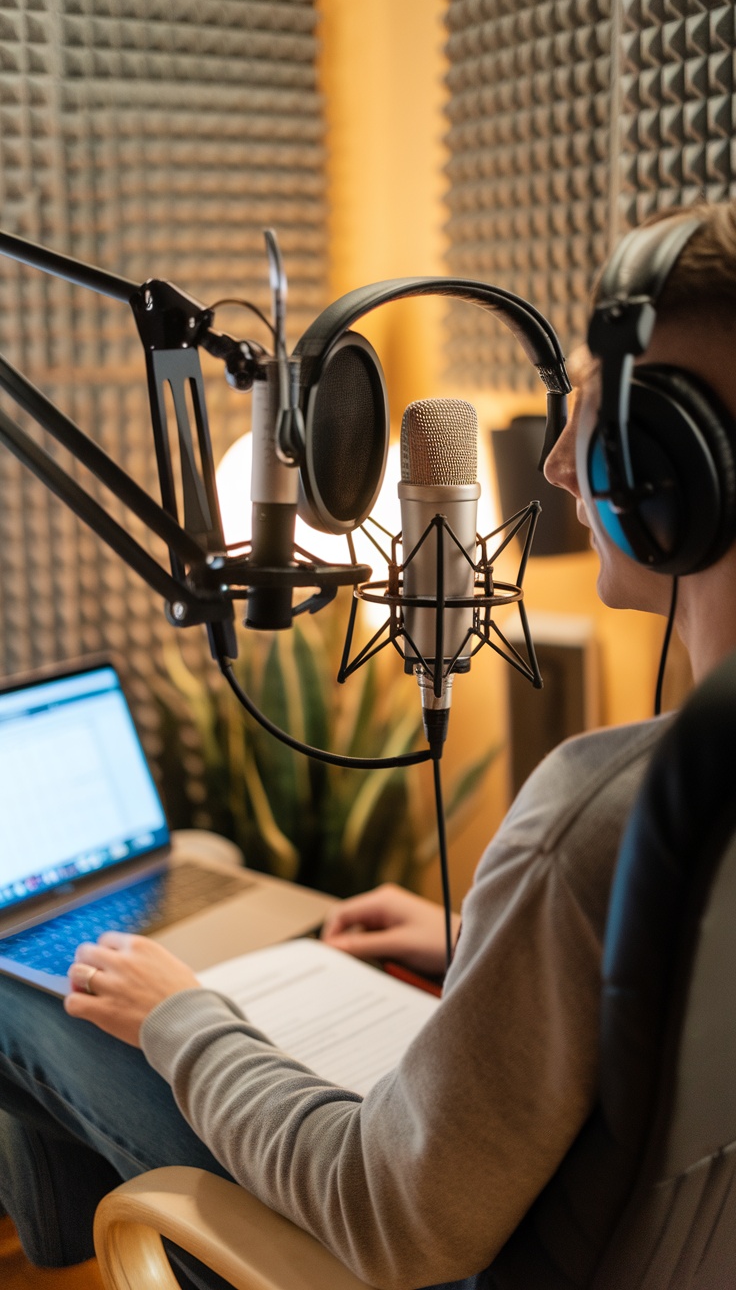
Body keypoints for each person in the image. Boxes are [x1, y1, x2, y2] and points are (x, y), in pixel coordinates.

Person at [2, 200, 736, 1290]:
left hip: (412, 1249)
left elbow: (394, 1216)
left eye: (591, 413)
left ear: (665, 465)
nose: (554, 468)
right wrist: (472, 943)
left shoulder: (598, 807)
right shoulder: (669, 809)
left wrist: (187, 1021)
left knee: (26, 988)